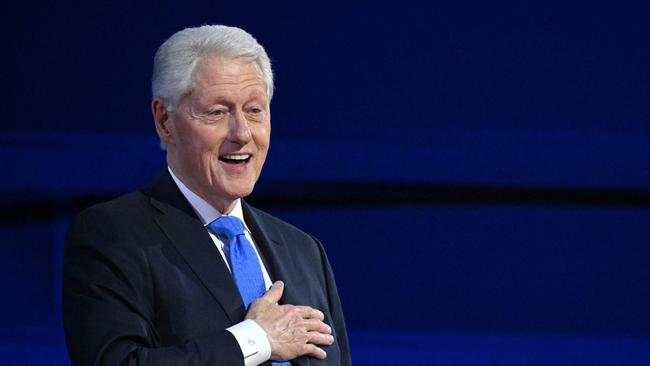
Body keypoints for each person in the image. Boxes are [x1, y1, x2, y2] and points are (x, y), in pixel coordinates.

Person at [62, 25, 351, 366]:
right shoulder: (113, 234)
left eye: (255, 110)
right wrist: (255, 339)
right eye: (217, 112)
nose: (242, 133)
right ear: (164, 121)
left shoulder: (305, 252)